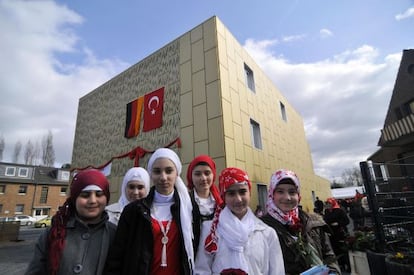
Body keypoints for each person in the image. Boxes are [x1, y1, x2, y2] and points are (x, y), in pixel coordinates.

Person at [104, 148, 194, 275]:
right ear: (151, 175)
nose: (163, 177)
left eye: (169, 171)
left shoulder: (187, 208)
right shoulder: (134, 211)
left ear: (177, 174)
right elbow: (117, 256)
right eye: (157, 171)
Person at [195, 167, 285, 275]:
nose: (238, 199)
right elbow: (201, 270)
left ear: (249, 193)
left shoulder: (267, 233)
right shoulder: (210, 230)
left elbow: (277, 272)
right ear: (224, 197)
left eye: (242, 192)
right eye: (231, 194)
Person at [26, 169, 116, 275]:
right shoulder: (54, 233)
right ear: (74, 198)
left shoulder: (115, 234)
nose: (93, 200)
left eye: (99, 194)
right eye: (85, 195)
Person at [261, 169, 341, 275]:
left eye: (292, 192)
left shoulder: (314, 222)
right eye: (280, 191)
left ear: (298, 196)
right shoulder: (261, 229)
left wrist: (333, 272)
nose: (287, 197)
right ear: (272, 194)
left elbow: (329, 257)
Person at [186, 155, 223, 259]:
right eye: (197, 174)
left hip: (216, 257)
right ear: (191, 176)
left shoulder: (221, 203)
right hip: (192, 256)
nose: (203, 178)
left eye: (207, 173)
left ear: (213, 174)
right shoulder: (184, 201)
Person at [324, 197, 350, 272]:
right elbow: (326, 220)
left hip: (340, 233)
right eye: (327, 203)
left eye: (329, 203)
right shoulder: (326, 211)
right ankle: (340, 265)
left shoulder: (339, 211)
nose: (328, 205)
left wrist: (338, 223)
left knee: (343, 249)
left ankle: (347, 265)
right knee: (335, 250)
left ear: (332, 203)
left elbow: (346, 221)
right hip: (332, 234)